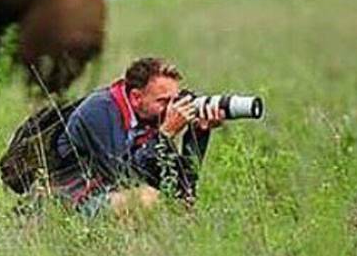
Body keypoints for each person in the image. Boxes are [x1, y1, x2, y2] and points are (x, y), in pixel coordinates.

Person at [49, 55, 225, 217]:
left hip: (110, 194)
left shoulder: (149, 117)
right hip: (71, 203)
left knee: (177, 204)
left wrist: (198, 133)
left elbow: (183, 187)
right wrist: (165, 135)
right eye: (163, 101)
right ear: (136, 97)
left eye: (175, 100)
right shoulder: (99, 110)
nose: (172, 108)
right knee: (148, 200)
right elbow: (125, 176)